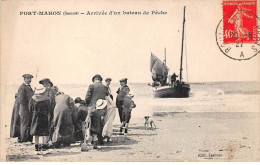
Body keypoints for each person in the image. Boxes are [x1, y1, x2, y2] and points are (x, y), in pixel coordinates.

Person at [29, 84, 51, 154]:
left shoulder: (33, 98)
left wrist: (34, 112)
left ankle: (36, 147)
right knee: (44, 132)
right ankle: (44, 147)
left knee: (36, 132)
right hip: (44, 116)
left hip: (36, 116)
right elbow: (49, 108)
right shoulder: (47, 99)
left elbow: (30, 108)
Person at [17, 74, 34, 142]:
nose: (29, 80)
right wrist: (28, 106)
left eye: (30, 78)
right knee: (24, 124)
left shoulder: (29, 87)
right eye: (28, 78)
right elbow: (21, 100)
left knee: (29, 124)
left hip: (28, 109)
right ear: (24, 79)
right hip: (24, 109)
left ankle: (29, 139)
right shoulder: (22, 87)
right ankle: (23, 139)